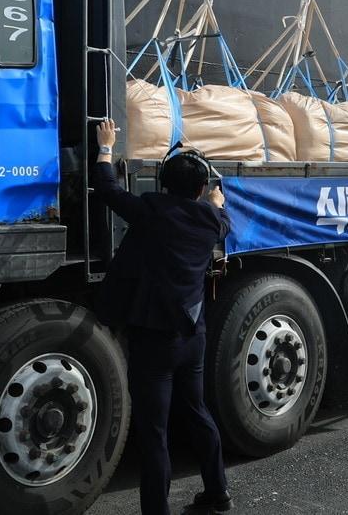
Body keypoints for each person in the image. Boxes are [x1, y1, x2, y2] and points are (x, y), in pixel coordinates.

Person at [91, 119, 233, 515]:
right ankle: (218, 492)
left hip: (154, 340)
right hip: (193, 335)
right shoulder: (214, 221)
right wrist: (215, 198)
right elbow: (219, 208)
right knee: (197, 412)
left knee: (155, 431)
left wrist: (106, 146)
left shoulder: (153, 210)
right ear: (203, 188)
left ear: (162, 182)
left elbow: (107, 189)